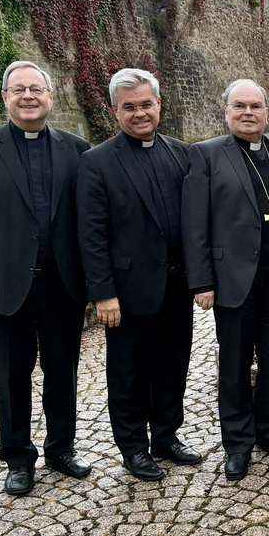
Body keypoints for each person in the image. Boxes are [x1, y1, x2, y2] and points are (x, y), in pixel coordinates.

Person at [0, 60, 92, 496]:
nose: (28, 96)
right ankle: (17, 458)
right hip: (6, 287)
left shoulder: (77, 149)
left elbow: (88, 222)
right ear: (6, 98)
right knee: (11, 377)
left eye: (37, 89)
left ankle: (61, 448)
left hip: (61, 285)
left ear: (51, 97)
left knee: (62, 371)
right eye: (19, 90)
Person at [182, 79, 269, 481]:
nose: (248, 113)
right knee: (235, 366)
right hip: (234, 282)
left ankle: (268, 428)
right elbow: (194, 223)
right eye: (240, 106)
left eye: (256, 106)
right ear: (226, 112)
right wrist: (202, 281)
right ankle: (238, 443)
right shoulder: (205, 155)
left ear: (267, 112)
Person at [77, 68, 202, 482]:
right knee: (129, 372)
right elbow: (91, 234)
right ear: (115, 111)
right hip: (127, 293)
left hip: (176, 285)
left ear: (159, 105)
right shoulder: (96, 163)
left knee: (172, 364)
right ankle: (133, 448)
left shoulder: (181, 153)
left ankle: (166, 436)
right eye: (129, 107)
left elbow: (196, 223)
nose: (140, 113)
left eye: (146, 104)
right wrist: (103, 293)